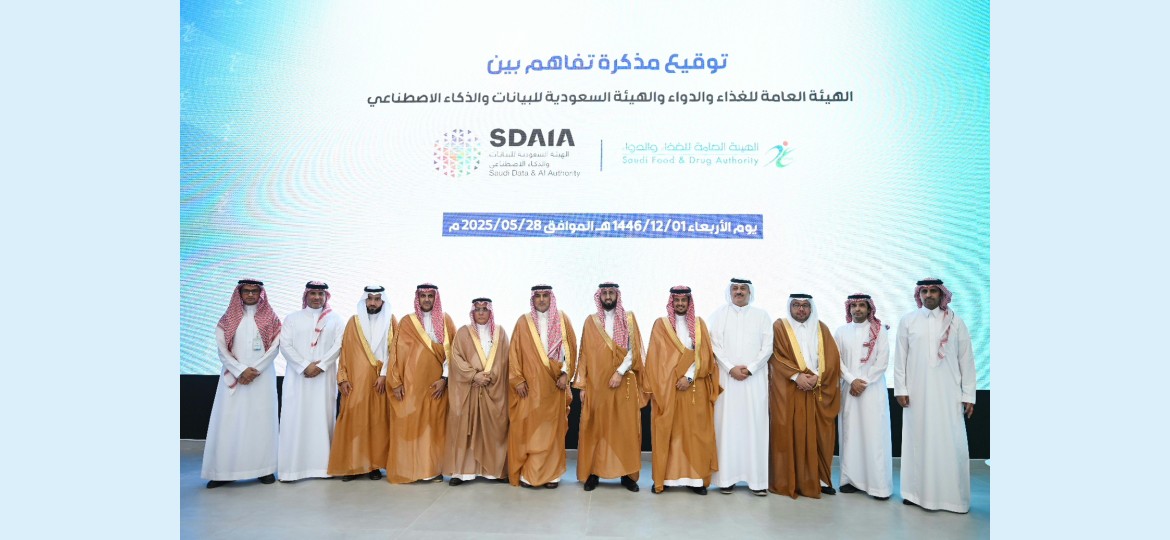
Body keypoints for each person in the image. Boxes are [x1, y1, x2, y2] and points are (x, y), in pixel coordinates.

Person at [894, 278, 976, 513]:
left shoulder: (956, 322)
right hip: (916, 393)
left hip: (949, 393)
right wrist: (900, 389)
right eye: (924, 291)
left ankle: (952, 498)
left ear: (941, 294)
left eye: (933, 291)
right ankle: (914, 493)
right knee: (916, 440)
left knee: (950, 441)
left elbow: (966, 360)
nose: (928, 295)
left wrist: (969, 394)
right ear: (919, 295)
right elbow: (900, 358)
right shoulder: (908, 320)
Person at [202, 279, 282, 488]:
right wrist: (240, 370)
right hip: (233, 376)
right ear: (239, 293)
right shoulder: (228, 319)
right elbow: (222, 349)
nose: (250, 294)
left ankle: (264, 470)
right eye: (246, 291)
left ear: (261, 293)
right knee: (229, 423)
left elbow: (275, 347)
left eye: (254, 291)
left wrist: (255, 370)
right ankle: (224, 472)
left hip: (261, 378)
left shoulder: (271, 318)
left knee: (261, 422)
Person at [645, 286, 720, 495]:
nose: (680, 304)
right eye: (676, 300)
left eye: (683, 300)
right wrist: (663, 384)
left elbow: (704, 356)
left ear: (689, 302)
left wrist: (688, 377)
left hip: (694, 387)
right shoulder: (661, 325)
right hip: (667, 389)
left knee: (695, 433)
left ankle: (696, 480)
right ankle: (666, 479)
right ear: (672, 302)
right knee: (669, 433)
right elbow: (654, 358)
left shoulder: (699, 324)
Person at [574, 282, 646, 492]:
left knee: (625, 430)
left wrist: (619, 372)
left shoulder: (629, 318)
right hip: (597, 385)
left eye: (611, 293)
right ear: (599, 296)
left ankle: (627, 475)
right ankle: (593, 473)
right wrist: (582, 385)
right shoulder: (591, 321)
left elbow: (634, 350)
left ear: (617, 295)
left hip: (623, 384)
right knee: (597, 429)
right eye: (604, 293)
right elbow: (584, 353)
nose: (607, 296)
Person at [768, 293, 841, 498]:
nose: (801, 309)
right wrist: (796, 376)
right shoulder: (779, 327)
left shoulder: (822, 328)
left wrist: (818, 376)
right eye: (796, 305)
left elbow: (832, 358)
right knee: (788, 433)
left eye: (805, 305)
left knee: (819, 436)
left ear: (811, 308)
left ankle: (819, 480)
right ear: (789, 307)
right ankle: (787, 480)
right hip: (790, 390)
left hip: (816, 389)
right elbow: (774, 355)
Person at [385, 283, 456, 484]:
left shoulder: (445, 320)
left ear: (435, 298)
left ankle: (432, 471)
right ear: (417, 298)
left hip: (436, 386)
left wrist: (445, 379)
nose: (426, 299)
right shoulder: (407, 322)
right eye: (423, 296)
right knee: (409, 425)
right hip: (410, 385)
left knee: (433, 427)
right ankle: (407, 470)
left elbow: (453, 353)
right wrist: (396, 382)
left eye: (430, 296)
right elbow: (395, 354)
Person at [508, 285, 578, 488]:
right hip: (529, 387)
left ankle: (552, 475)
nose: (541, 299)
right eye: (537, 296)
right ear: (533, 299)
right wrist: (518, 380)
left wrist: (566, 374)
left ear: (551, 297)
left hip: (555, 386)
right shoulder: (523, 322)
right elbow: (514, 353)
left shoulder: (563, 319)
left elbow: (571, 349)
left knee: (552, 430)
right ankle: (529, 475)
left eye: (545, 295)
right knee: (530, 429)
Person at [708, 278, 771, 496]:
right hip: (727, 380)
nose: (739, 292)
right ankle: (726, 479)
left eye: (743, 288)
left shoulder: (762, 316)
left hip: (755, 380)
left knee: (755, 427)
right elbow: (714, 346)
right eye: (735, 288)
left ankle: (758, 481)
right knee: (727, 427)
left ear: (750, 292)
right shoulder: (718, 315)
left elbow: (768, 347)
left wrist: (751, 368)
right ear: (730, 291)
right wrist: (730, 368)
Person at [278, 281, 345, 481]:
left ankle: (324, 468)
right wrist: (304, 365)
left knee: (322, 419)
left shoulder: (335, 319)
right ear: (306, 295)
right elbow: (285, 345)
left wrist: (321, 365)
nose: (317, 297)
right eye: (313, 293)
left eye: (320, 294)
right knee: (295, 419)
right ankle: (291, 470)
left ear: (326, 297)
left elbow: (339, 345)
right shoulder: (292, 318)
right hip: (297, 378)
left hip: (324, 379)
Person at [327, 286, 395, 481]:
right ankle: (353, 466)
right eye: (369, 299)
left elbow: (394, 352)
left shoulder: (391, 321)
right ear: (364, 300)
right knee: (354, 421)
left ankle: (374, 465)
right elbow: (345, 352)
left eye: (377, 299)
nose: (372, 303)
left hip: (379, 382)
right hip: (356, 382)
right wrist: (343, 378)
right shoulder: (353, 322)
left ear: (383, 301)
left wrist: (384, 375)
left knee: (377, 422)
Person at [443, 297, 511, 486]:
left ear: (490, 312)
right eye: (477, 309)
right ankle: (462, 473)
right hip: (469, 389)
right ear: (472, 312)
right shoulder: (463, 332)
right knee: (465, 430)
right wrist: (474, 376)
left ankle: (494, 472)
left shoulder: (500, 333)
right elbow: (456, 358)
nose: (481, 313)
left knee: (494, 430)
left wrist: (489, 376)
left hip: (493, 389)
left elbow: (506, 360)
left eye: (484, 309)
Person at [833, 293, 893, 500]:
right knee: (850, 434)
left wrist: (863, 382)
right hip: (849, 390)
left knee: (874, 435)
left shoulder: (879, 331)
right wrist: (852, 380)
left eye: (861, 306)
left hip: (872, 390)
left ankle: (878, 486)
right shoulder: (841, 331)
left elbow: (882, 361)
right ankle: (849, 480)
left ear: (869, 309)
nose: (857, 309)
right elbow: (837, 361)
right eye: (854, 306)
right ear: (849, 309)